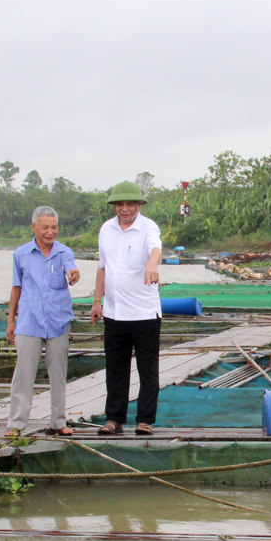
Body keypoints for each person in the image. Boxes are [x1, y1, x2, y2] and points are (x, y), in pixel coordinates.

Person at [90, 181, 162, 436]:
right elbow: (102, 267)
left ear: (138, 205)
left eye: (129, 204)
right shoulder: (106, 230)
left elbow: (156, 249)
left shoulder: (148, 227)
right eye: (119, 204)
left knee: (147, 370)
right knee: (115, 369)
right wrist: (97, 300)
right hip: (114, 312)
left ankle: (145, 420)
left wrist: (151, 265)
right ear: (114, 207)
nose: (124, 209)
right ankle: (114, 419)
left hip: (144, 313)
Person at [5, 206, 80, 437]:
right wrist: (11, 321)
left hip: (58, 322)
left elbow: (71, 269)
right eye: (45, 227)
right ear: (34, 227)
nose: (50, 232)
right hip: (29, 322)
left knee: (58, 374)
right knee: (23, 374)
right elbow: (16, 287)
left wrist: (73, 274)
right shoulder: (21, 254)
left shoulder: (64, 252)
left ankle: (58, 422)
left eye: (54, 227)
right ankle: (16, 424)